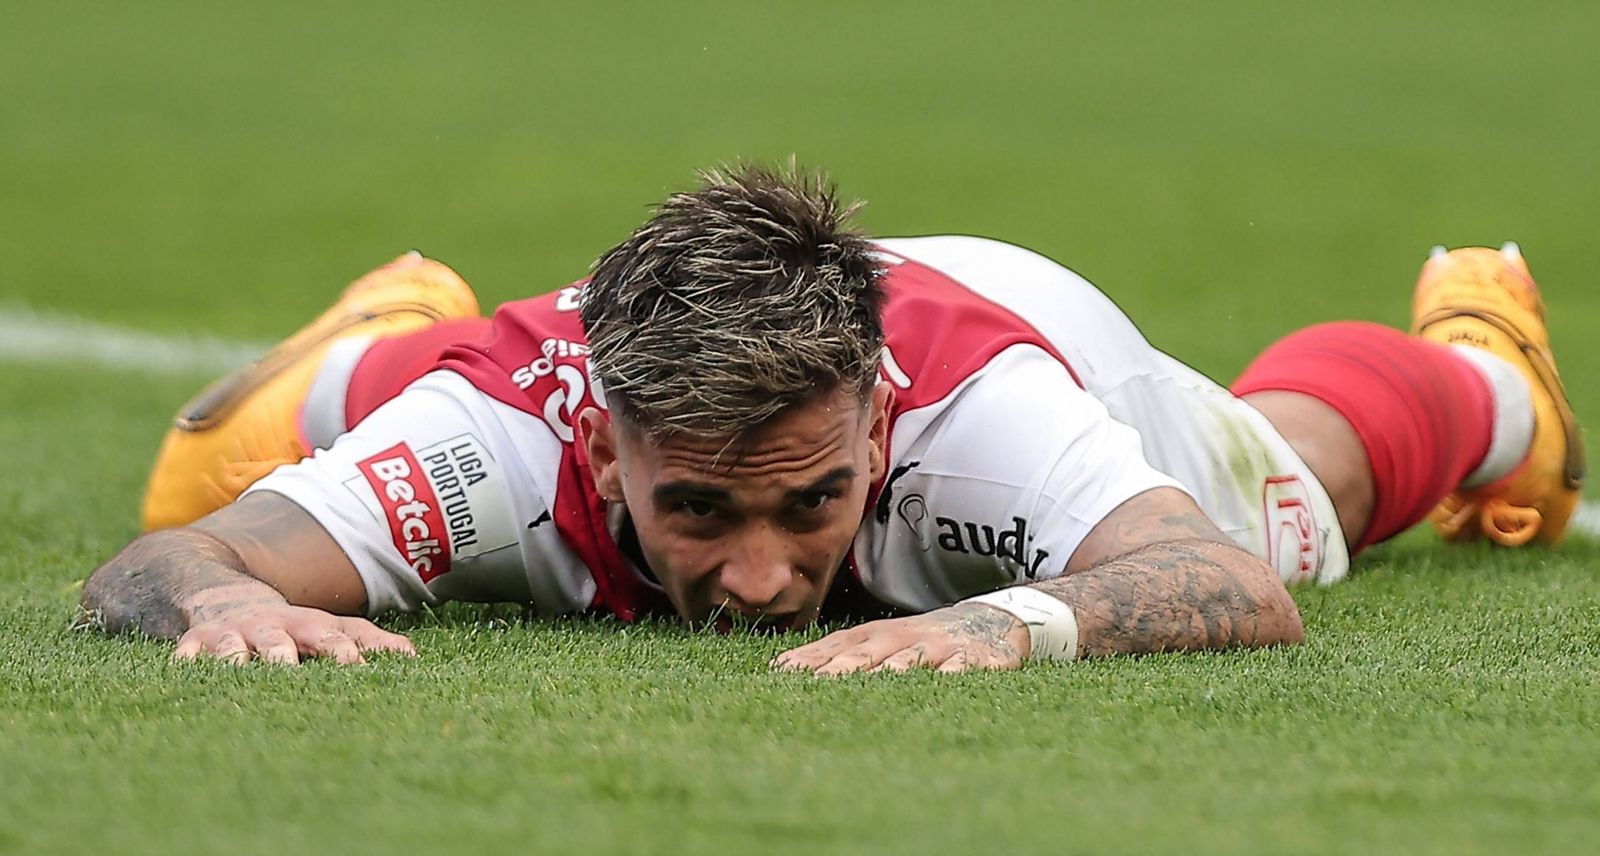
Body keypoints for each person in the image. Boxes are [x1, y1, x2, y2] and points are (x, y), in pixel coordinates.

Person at [79, 164, 1584, 675]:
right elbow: (160, 563)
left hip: (1022, 317)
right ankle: (377, 347)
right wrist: (225, 602)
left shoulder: (991, 418)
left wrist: (1005, 624)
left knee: (1298, 488)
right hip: (548, 348)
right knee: (203, 481)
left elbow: (1228, 583)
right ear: (601, 450)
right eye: (698, 511)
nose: (757, 580)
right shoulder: (508, 431)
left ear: (874, 432)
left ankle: (1488, 363)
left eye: (809, 503)